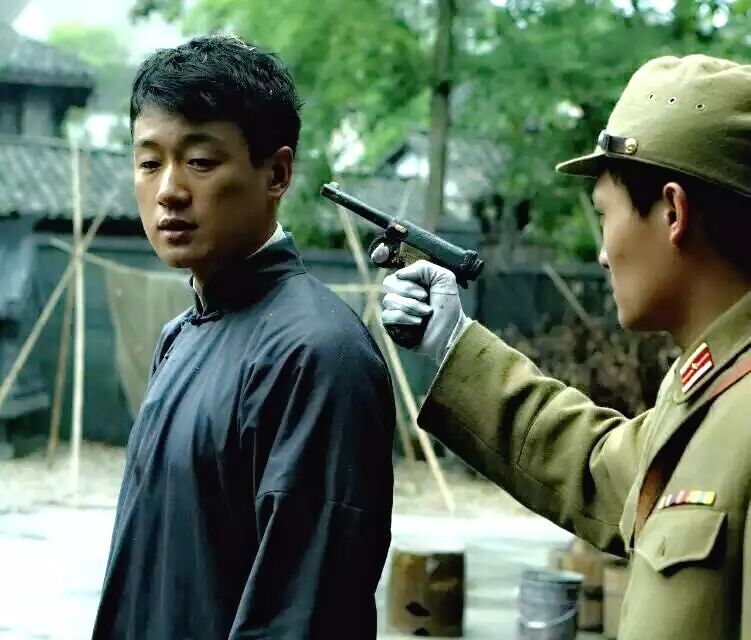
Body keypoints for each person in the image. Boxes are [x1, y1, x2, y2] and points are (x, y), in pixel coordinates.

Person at [376, 54, 751, 639]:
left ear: (673, 212)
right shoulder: (708, 391)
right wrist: (452, 343)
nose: (602, 253)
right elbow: (597, 467)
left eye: (604, 215)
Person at [93, 35, 395, 639]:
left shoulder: (316, 354)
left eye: (201, 161)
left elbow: (302, 614)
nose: (168, 190)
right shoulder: (181, 336)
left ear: (276, 173)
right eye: (149, 163)